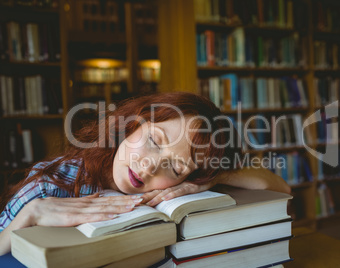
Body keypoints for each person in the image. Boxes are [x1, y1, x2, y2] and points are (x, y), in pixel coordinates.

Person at [0, 92, 290, 255]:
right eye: (153, 140)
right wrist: (29, 215)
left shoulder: (173, 194)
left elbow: (280, 187)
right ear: (132, 125)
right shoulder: (50, 185)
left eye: (176, 167)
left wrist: (210, 179)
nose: (151, 166)